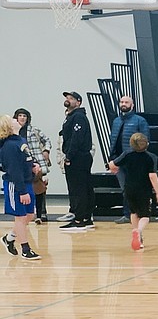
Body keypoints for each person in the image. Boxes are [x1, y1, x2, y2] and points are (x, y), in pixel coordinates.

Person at [112, 133, 158, 251]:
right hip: (143, 190)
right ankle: (138, 231)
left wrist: (113, 169)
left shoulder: (127, 154)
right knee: (145, 215)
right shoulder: (151, 157)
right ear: (147, 144)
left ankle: (138, 238)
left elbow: (113, 164)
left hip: (129, 188)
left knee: (134, 212)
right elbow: (152, 176)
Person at [2, 115, 41, 260]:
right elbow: (14, 170)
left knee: (30, 215)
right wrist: (22, 191)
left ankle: (9, 238)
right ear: (9, 126)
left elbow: (26, 158)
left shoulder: (20, 140)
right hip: (16, 184)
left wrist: (33, 165)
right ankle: (25, 249)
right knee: (20, 217)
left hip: (27, 181)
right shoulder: (9, 146)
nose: (15, 119)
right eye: (11, 119)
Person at [107, 95, 151, 223]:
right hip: (118, 160)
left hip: (133, 160)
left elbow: (144, 140)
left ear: (132, 105)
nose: (123, 104)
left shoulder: (140, 121)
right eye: (121, 101)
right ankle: (128, 214)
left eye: (126, 102)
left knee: (133, 188)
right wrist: (112, 159)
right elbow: (113, 140)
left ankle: (138, 213)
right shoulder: (116, 121)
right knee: (124, 188)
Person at [59, 91, 95, 233]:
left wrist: (69, 156)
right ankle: (86, 218)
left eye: (72, 98)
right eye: (67, 97)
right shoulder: (71, 116)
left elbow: (76, 138)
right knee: (84, 187)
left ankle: (79, 220)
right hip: (79, 157)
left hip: (78, 157)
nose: (68, 99)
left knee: (78, 188)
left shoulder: (78, 117)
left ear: (78, 102)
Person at [13, 108, 51, 223]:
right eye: (20, 115)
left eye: (24, 116)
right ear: (16, 117)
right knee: (24, 189)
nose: (22, 118)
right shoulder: (13, 132)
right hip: (20, 164)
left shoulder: (34, 130)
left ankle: (41, 214)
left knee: (39, 188)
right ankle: (25, 213)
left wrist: (46, 151)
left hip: (36, 163)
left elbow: (47, 140)